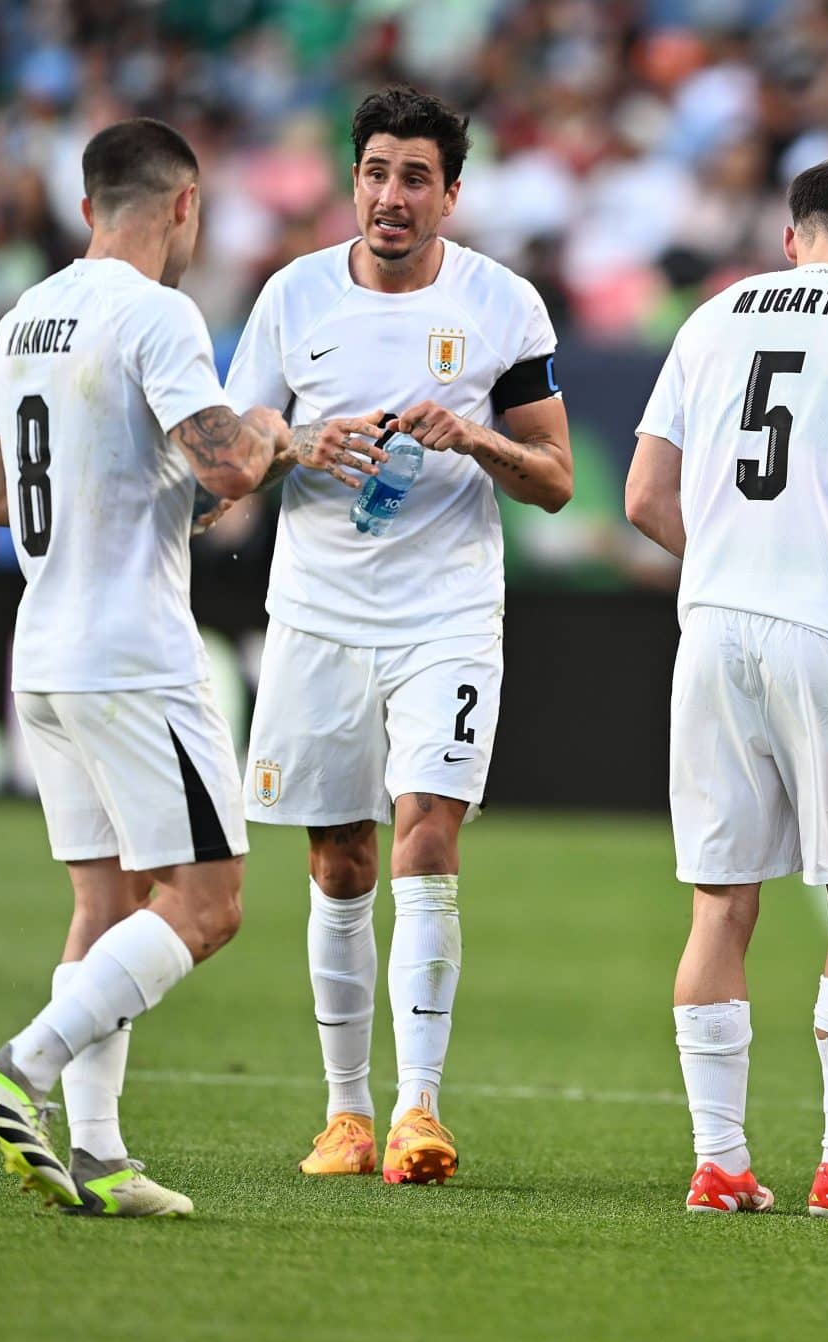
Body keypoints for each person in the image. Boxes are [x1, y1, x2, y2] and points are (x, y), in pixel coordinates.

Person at [0, 117, 338, 1216]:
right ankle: (17, 1067)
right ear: (185, 207)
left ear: (86, 208)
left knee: (106, 901)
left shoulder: (26, 313)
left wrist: (175, 482)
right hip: (131, 649)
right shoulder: (157, 313)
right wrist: (272, 430)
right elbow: (225, 458)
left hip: (46, 648)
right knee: (208, 902)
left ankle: (99, 1154)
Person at [225, 87, 573, 1187]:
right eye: (375, 171)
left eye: (414, 177)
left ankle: (419, 1108)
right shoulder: (292, 297)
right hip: (320, 611)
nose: (389, 195)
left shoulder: (501, 306)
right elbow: (229, 454)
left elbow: (556, 481)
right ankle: (345, 1114)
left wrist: (475, 439)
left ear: (450, 194)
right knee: (338, 857)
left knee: (426, 833)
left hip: (447, 614)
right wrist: (295, 447)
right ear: (353, 179)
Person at [626, 157, 828, 1221]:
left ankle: (719, 1161)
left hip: (712, 628)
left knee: (721, 902)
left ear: (790, 235)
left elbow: (642, 496)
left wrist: (728, 558)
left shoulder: (709, 319)